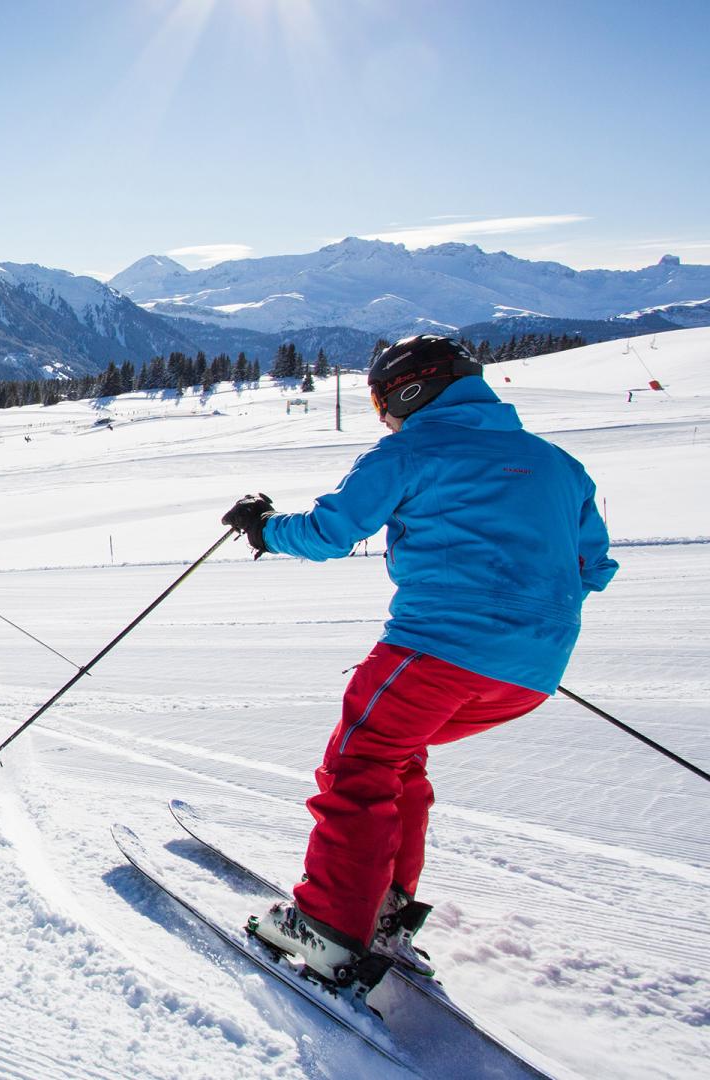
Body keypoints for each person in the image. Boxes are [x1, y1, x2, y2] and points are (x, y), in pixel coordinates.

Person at [221, 334, 617, 990]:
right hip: (531, 672)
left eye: (385, 404)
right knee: (396, 759)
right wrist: (517, 611)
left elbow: (329, 533)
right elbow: (593, 567)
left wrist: (264, 527)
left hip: (435, 651)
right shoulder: (559, 465)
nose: (387, 418)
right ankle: (384, 909)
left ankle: (327, 930)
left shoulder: (409, 452)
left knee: (359, 765)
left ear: (410, 390)